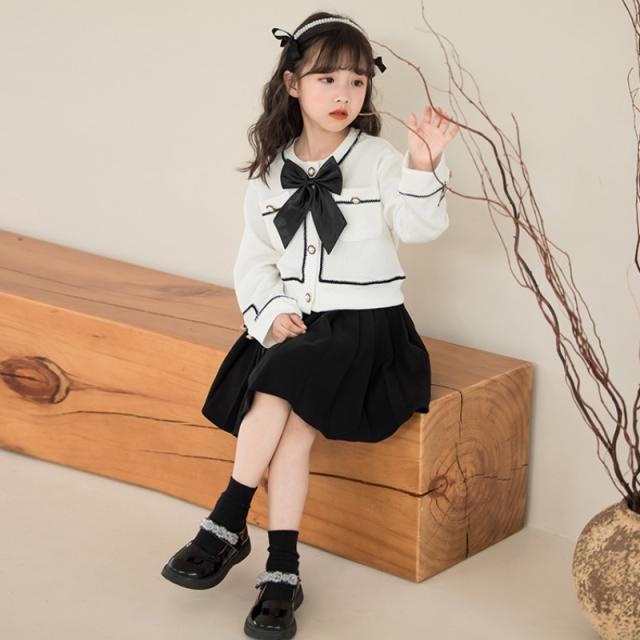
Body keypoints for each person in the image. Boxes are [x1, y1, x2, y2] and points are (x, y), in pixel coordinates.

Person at [161, 10, 460, 639]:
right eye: (327, 79)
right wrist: (270, 313)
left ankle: (226, 520)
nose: (343, 93)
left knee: (275, 385)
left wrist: (424, 164)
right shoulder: (272, 170)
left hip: (366, 328)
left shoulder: (380, 160)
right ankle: (282, 571)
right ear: (293, 84)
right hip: (298, 326)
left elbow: (418, 228)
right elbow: (255, 260)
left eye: (357, 81)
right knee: (291, 434)